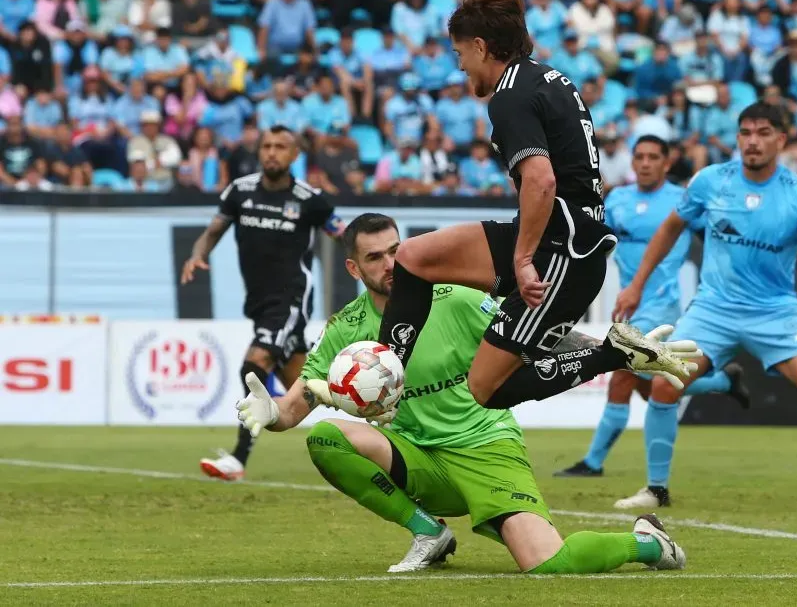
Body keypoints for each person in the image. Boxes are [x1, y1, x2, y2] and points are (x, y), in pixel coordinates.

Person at [234, 213, 687, 574]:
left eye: (396, 251)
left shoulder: (454, 297)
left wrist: (616, 351)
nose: (390, 265)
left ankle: (648, 542)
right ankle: (427, 532)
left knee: (550, 563)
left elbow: (538, 337)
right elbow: (297, 406)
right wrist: (270, 411)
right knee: (326, 437)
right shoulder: (344, 329)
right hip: (417, 460)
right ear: (353, 268)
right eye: (375, 258)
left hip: (486, 447)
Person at [375, 0, 695, 410]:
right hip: (549, 235)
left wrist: (523, 260)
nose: (460, 66)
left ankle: (612, 353)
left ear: (480, 46)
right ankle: (384, 380)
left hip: (563, 253)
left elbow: (541, 181)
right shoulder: (547, 77)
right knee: (414, 256)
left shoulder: (509, 96)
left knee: (485, 388)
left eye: (459, 54)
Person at [612, 102, 797, 511]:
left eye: (763, 133)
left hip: (775, 312)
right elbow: (671, 228)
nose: (752, 141)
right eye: (746, 132)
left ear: (781, 139)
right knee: (664, 383)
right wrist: (635, 286)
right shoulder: (710, 181)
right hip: (713, 310)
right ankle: (656, 490)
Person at [555, 136, 749, 482]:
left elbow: (719, 238)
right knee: (648, 384)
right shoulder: (618, 200)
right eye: (639, 157)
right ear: (632, 162)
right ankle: (721, 382)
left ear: (667, 162)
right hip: (630, 304)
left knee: (621, 374)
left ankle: (593, 462)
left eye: (652, 157)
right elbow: (595, 241)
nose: (645, 163)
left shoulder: (682, 200)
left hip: (662, 305)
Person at [180, 125, 345, 480]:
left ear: (295, 155)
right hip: (259, 303)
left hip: (290, 300)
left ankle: (238, 459)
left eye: (281, 147)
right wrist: (197, 255)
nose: (272, 152)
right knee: (308, 388)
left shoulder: (309, 199)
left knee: (253, 366)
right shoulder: (240, 191)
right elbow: (213, 232)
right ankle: (380, 415)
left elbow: (346, 236)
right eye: (267, 146)